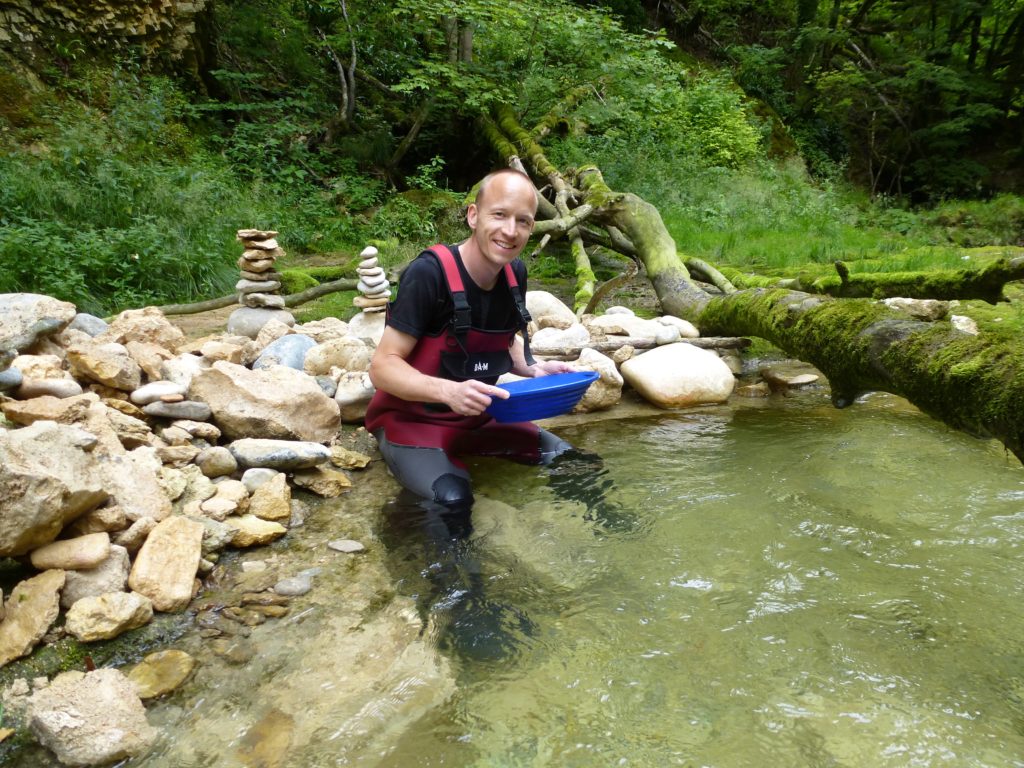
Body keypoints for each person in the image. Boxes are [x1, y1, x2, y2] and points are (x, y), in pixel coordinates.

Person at [365, 168, 578, 515]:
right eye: (499, 215)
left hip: (479, 417)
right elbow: (382, 368)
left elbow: (502, 340)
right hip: (412, 422)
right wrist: (449, 392)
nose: (510, 231)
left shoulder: (514, 275)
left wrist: (533, 369)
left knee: (573, 462)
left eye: (523, 221)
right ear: (473, 216)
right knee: (453, 500)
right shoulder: (428, 274)